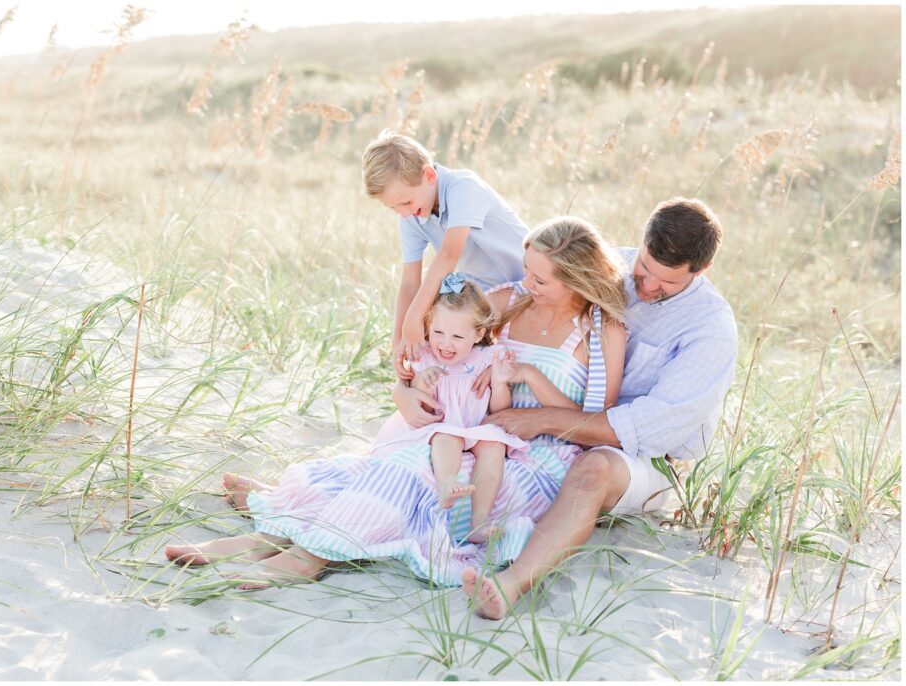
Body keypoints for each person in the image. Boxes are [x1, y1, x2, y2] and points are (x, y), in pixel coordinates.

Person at [163, 216, 628, 589]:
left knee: (417, 476)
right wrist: (404, 391)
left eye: (541, 279)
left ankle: (309, 555)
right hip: (468, 426)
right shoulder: (509, 301)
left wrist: (527, 376)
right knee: (403, 457)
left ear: (575, 280)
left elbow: (593, 423)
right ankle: (265, 537)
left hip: (538, 456)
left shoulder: (601, 329)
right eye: (526, 270)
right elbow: (442, 343)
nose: (527, 282)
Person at [450, 197, 739, 619]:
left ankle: (510, 585)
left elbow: (646, 428)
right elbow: (526, 288)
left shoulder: (710, 330)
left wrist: (543, 418)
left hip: (643, 458)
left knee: (595, 468)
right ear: (641, 243)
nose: (648, 286)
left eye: (667, 283)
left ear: (702, 271)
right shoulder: (609, 268)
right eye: (644, 268)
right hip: (562, 425)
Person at [371, 272, 579, 543]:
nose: (445, 343)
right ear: (428, 326)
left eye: (457, 336)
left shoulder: (487, 358)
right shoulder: (424, 356)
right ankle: (447, 483)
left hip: (477, 427)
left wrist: (501, 382)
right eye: (438, 332)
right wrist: (423, 382)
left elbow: (497, 409)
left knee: (494, 444)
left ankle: (478, 523)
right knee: (448, 436)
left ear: (479, 333)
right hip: (440, 428)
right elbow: (418, 403)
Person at [361, 129, 528, 383]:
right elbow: (409, 284)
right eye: (393, 208)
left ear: (429, 175)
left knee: (440, 320)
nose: (403, 213)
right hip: (481, 292)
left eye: (405, 202)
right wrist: (399, 342)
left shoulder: (464, 187)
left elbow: (449, 256)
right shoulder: (412, 215)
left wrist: (414, 318)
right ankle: (430, 388)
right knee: (438, 329)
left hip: (524, 281)